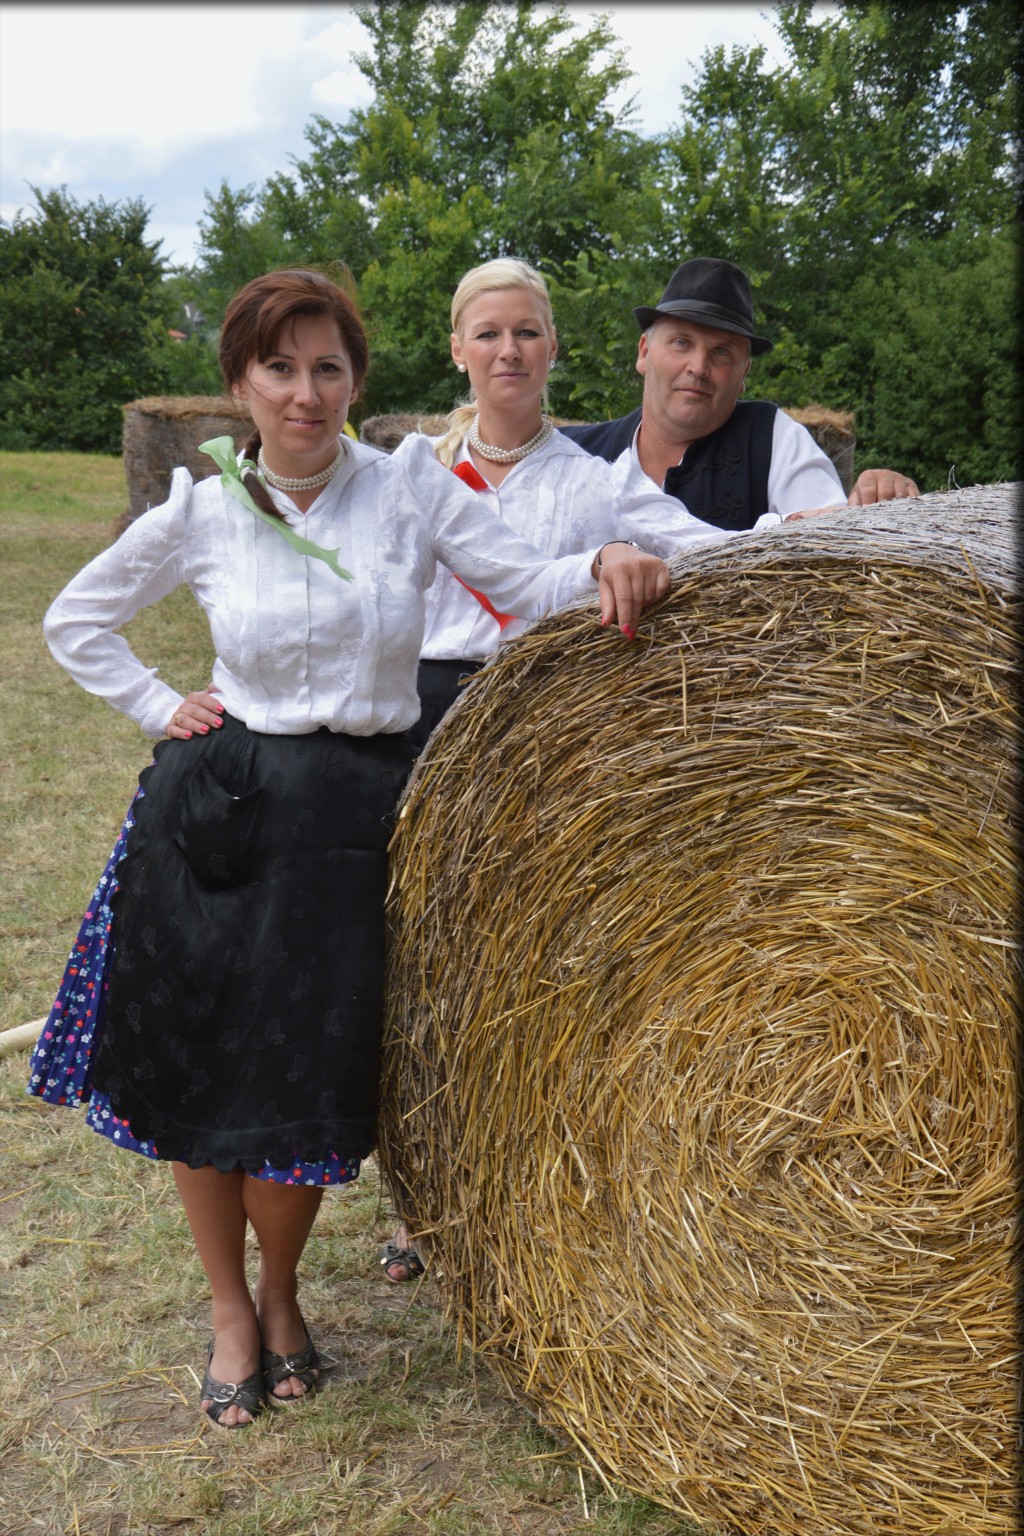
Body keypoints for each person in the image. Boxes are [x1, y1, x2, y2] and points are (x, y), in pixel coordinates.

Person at [30, 267, 670, 1429]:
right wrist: (160, 705)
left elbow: (520, 580)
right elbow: (75, 619)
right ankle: (231, 1310)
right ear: (239, 384)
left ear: (356, 382)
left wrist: (601, 562)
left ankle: (281, 1292)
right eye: (279, 368)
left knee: (302, 1082)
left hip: (345, 822)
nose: (305, 392)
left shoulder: (408, 487)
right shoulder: (206, 506)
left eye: (327, 368)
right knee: (196, 1070)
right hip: (214, 813)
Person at [378, 254, 863, 1281]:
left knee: (505, 967)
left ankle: (506, 1185)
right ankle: (413, 1200)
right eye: (488, 333)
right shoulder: (409, 470)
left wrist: (829, 527)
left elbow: (705, 544)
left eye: (527, 332)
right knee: (402, 965)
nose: (509, 350)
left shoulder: (596, 481)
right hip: (410, 721)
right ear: (458, 349)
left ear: (555, 348)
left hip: (528, 730)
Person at [558, 257, 920, 527]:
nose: (698, 366)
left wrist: (871, 504)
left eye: (722, 352)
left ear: (743, 373)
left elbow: (827, 536)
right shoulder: (570, 452)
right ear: (644, 352)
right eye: (682, 342)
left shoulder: (771, 437)